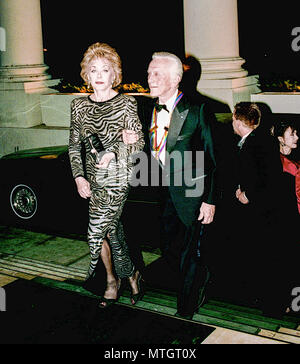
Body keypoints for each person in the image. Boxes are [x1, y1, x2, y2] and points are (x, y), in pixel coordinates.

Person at [124, 52, 217, 319]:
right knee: (170, 251)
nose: (150, 78)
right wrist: (131, 142)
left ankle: (185, 311)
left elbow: (212, 159)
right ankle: (199, 278)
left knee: (189, 254)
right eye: (149, 72)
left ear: (176, 79)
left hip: (192, 193)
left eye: (157, 74)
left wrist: (209, 200)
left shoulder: (198, 109)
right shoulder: (144, 109)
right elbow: (144, 152)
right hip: (161, 193)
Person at [68, 42, 145, 308]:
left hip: (118, 178)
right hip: (92, 179)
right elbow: (73, 145)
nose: (99, 75)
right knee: (111, 230)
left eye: (105, 70)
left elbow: (138, 144)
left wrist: (114, 150)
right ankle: (130, 273)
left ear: (115, 74)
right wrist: (79, 177)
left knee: (94, 231)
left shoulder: (126, 104)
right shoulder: (78, 106)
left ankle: (109, 280)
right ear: (86, 75)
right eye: (93, 70)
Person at [231, 102, 290, 317]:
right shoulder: (258, 140)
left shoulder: (258, 143)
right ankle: (274, 302)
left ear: (237, 121)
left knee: (268, 259)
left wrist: (247, 195)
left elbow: (268, 178)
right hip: (265, 212)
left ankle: (274, 305)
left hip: (264, 213)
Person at [272, 120, 300, 220]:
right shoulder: (273, 162)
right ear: (281, 139)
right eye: (292, 134)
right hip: (281, 214)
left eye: (296, 133)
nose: (297, 137)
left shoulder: (297, 158)